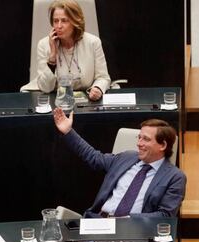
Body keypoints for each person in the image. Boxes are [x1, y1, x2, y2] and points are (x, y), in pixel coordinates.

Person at [53, 108, 186, 217]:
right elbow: (93, 156)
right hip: (99, 222)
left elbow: (165, 215)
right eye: (139, 137)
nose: (139, 143)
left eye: (146, 139)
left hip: (135, 231)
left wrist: (127, 219)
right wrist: (68, 132)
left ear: (162, 145)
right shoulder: (126, 157)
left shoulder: (175, 177)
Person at [35, 0, 110, 101]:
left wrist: (97, 88)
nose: (59, 26)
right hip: (57, 102)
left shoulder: (93, 42)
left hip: (87, 101)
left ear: (76, 22)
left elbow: (103, 77)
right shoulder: (44, 45)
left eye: (64, 20)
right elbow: (46, 88)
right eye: (55, 21)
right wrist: (52, 57)